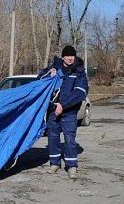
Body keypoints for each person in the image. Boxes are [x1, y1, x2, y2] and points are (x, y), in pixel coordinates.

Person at [38, 45, 89, 179]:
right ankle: (54, 164)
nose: (70, 58)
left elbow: (80, 92)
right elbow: (39, 79)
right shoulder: (55, 67)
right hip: (53, 111)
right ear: (63, 57)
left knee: (69, 139)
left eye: (72, 55)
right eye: (67, 55)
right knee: (53, 138)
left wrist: (63, 105)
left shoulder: (79, 71)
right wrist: (50, 76)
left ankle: (71, 166)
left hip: (69, 112)